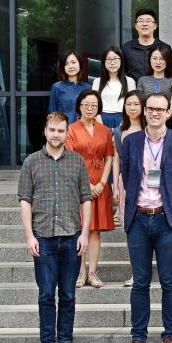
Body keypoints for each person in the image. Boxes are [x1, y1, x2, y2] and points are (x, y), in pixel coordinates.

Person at [120, 92, 172, 343]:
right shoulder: (130, 142)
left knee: (169, 281)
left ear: (167, 113)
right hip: (138, 218)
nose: (154, 113)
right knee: (140, 282)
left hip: (166, 218)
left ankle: (170, 337)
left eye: (160, 109)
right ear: (144, 111)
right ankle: (138, 339)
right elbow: (127, 177)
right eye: (150, 108)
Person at [19, 112, 92, 343]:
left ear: (66, 133)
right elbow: (25, 201)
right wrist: (29, 236)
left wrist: (84, 233)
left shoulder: (77, 162)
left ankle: (67, 341)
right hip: (43, 238)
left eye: (61, 130)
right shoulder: (31, 162)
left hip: (72, 237)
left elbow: (86, 199)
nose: (56, 134)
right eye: (52, 130)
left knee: (68, 295)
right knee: (46, 294)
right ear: (45, 131)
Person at [66, 91, 115, 289]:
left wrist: (103, 183)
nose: (90, 108)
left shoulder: (105, 130)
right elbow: (69, 159)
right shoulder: (71, 129)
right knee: (81, 228)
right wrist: (86, 185)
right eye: (86, 104)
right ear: (79, 106)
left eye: (94, 105)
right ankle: (81, 272)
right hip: (79, 183)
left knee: (95, 231)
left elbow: (109, 157)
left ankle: (93, 272)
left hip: (100, 184)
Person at [112, 91, 145, 286]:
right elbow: (116, 158)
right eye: (128, 104)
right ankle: (136, 272)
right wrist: (115, 186)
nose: (132, 108)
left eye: (136, 104)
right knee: (130, 228)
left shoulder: (149, 128)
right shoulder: (119, 130)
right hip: (126, 183)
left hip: (148, 183)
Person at [135, 43, 172, 125]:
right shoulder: (143, 80)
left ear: (167, 61)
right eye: (155, 58)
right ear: (150, 60)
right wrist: (150, 122)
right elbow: (140, 105)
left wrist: (157, 122)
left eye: (162, 59)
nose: (158, 62)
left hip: (167, 122)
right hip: (146, 122)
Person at [92, 46, 136, 130]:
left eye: (115, 59)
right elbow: (93, 104)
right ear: (104, 62)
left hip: (123, 120)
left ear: (121, 61)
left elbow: (132, 105)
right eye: (109, 59)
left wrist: (122, 125)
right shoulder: (97, 81)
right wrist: (101, 126)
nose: (112, 63)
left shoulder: (130, 81)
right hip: (100, 119)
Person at [122, 9, 171, 81]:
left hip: (159, 87)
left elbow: (170, 73)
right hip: (134, 87)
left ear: (155, 26)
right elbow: (121, 74)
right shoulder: (126, 48)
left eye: (148, 21)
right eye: (141, 21)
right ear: (136, 26)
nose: (144, 24)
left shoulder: (165, 47)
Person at [49, 51, 91, 123]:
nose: (70, 66)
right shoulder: (57, 87)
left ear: (80, 64)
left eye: (73, 62)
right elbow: (52, 113)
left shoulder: (88, 88)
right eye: (66, 64)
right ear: (63, 67)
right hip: (65, 128)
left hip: (84, 128)